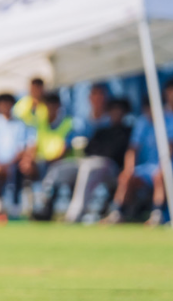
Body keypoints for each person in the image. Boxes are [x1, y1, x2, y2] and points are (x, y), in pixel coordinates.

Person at [105, 82, 173, 225]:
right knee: (126, 177)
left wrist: (162, 166)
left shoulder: (169, 120)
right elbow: (133, 149)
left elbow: (169, 148)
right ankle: (118, 212)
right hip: (146, 167)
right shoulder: (142, 122)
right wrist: (128, 169)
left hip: (166, 165)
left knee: (160, 175)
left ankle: (157, 213)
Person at [65, 98, 132, 222]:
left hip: (112, 169)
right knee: (66, 167)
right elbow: (89, 149)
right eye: (113, 110)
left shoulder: (127, 131)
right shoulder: (102, 131)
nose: (115, 113)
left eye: (119, 110)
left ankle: (75, 213)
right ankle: (46, 202)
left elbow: (117, 154)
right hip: (91, 163)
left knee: (90, 167)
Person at [25, 93, 75, 220]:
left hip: (63, 163)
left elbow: (65, 150)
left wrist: (49, 160)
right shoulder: (40, 123)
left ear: (59, 107)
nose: (51, 109)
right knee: (27, 169)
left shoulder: (68, 123)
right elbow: (33, 145)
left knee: (53, 171)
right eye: (48, 106)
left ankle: (46, 208)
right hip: (43, 163)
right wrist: (29, 159)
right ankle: (33, 207)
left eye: (53, 106)